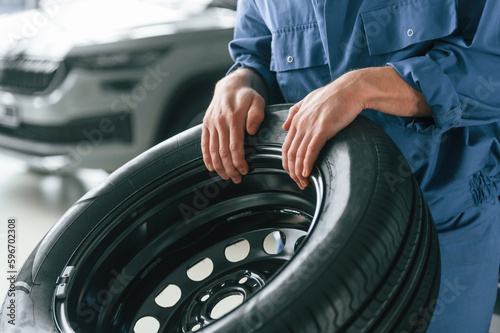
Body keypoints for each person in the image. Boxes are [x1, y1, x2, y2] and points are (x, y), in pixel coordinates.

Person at [201, 1, 500, 332]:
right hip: (307, 229)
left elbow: (491, 64)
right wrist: (242, 79)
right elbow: (255, 53)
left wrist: (365, 87)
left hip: (439, 220)